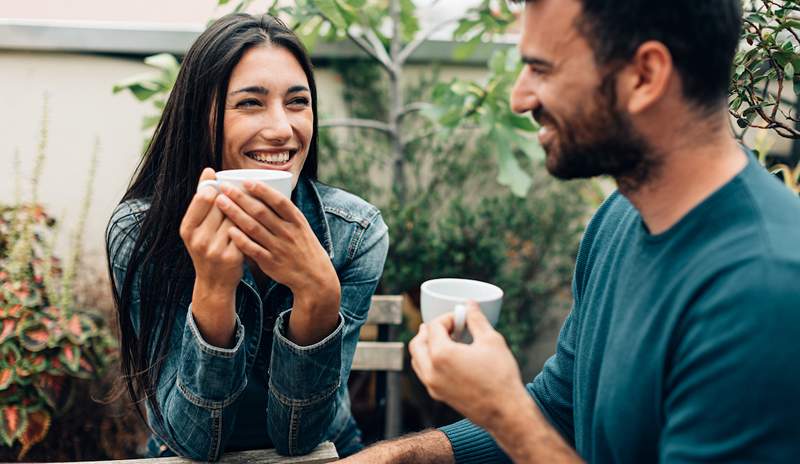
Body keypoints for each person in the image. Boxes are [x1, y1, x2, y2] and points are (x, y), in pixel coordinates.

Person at [342, 0, 800, 462]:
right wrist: (397, 457)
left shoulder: (764, 290)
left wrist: (504, 411)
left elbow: (528, 422)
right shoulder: (620, 216)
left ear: (645, 76)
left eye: (541, 69)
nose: (520, 98)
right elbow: (561, 411)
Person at [105, 13, 388, 461]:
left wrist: (316, 293)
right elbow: (194, 441)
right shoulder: (139, 234)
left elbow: (299, 440)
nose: (281, 128)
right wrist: (214, 289)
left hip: (327, 450)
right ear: (201, 117)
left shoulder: (354, 233)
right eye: (250, 103)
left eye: (297, 102)